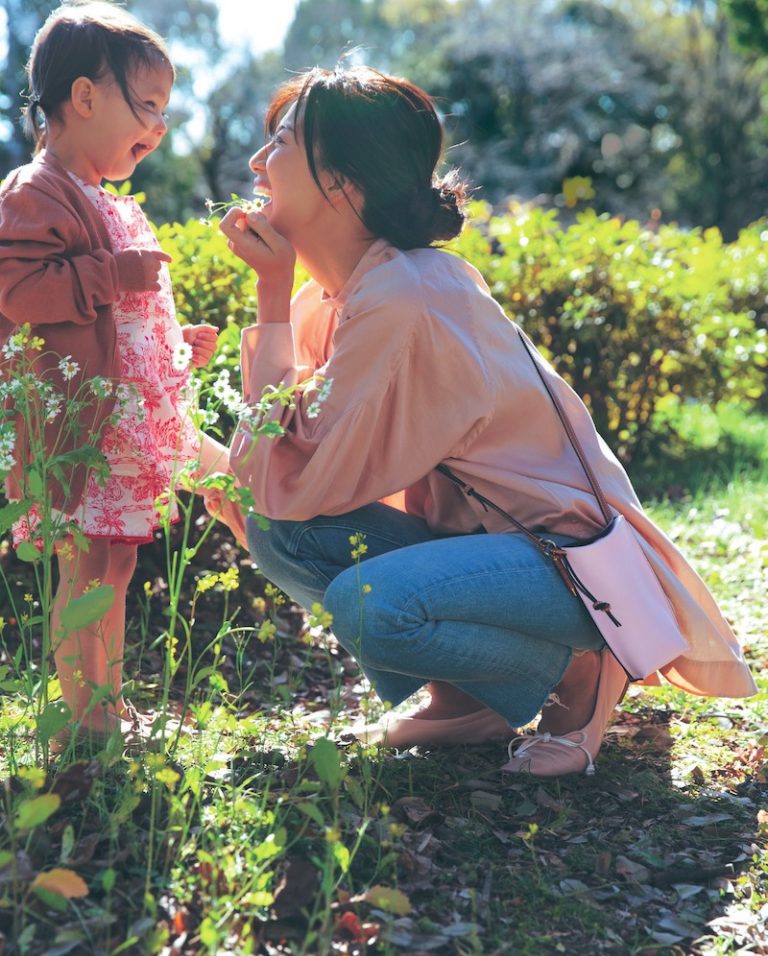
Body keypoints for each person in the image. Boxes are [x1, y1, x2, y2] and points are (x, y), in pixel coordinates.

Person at [213, 66, 756, 776]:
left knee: (369, 602)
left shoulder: (405, 293)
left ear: (342, 183)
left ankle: (584, 666)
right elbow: (282, 485)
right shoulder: (340, 297)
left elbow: (304, 468)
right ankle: (468, 698)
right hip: (493, 548)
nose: (257, 162)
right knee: (282, 533)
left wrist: (269, 291)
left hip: (571, 561)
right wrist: (275, 301)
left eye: (280, 141)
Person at [0, 1, 227, 738]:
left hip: (118, 428)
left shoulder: (107, 200)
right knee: (84, 571)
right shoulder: (33, 193)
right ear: (86, 97)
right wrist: (111, 274)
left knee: (116, 569)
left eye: (166, 110)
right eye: (148, 106)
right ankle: (81, 716)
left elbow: (119, 309)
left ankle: (108, 702)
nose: (160, 127)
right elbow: (22, 292)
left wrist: (171, 339)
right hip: (78, 430)